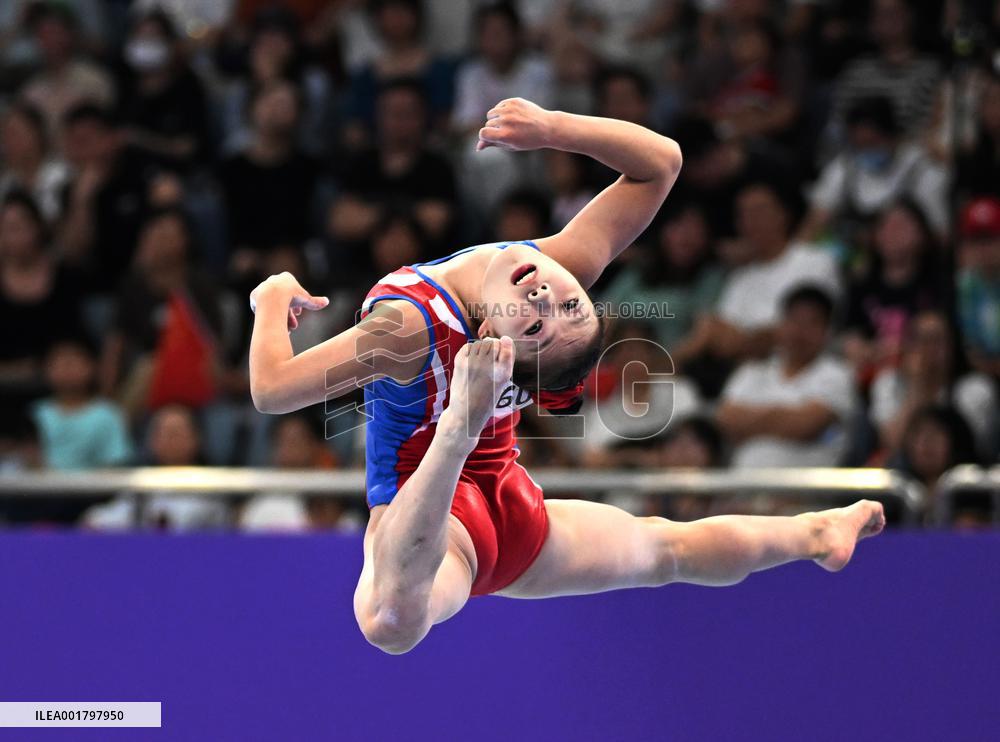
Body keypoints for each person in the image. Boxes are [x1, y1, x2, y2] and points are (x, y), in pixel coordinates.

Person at [247, 97, 884, 655]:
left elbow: (272, 389)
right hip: (509, 500)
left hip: (438, 515)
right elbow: (662, 162)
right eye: (569, 304)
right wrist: (554, 128)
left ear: (494, 344)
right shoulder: (560, 264)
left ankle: (461, 428)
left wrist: (273, 299)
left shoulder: (408, 331)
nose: (545, 298)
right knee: (667, 550)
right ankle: (812, 532)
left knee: (387, 621)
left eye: (532, 326)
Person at [716, 286, 856, 467]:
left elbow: (805, 425)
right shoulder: (752, 370)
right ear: (780, 324)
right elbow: (726, 420)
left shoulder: (837, 374)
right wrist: (783, 417)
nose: (799, 332)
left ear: (827, 331)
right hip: (742, 487)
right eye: (794, 320)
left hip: (805, 490)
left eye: (811, 323)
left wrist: (750, 421)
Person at [31, 339, 133, 470]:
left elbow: (115, 463)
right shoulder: (36, 413)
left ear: (92, 367)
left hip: (94, 488)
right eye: (59, 363)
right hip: (38, 488)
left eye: (73, 363)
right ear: (47, 369)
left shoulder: (108, 415)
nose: (66, 369)